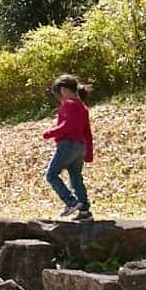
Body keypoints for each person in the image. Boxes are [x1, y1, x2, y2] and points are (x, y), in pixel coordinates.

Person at [42, 75, 94, 221]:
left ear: (63, 90)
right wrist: (88, 152)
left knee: (51, 175)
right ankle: (84, 211)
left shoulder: (69, 104)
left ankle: (71, 202)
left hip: (67, 144)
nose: (59, 98)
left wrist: (49, 133)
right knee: (76, 178)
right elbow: (87, 132)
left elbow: (66, 126)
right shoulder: (82, 107)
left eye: (57, 94)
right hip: (80, 146)